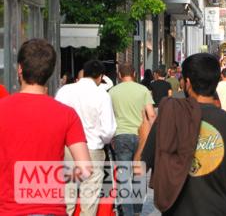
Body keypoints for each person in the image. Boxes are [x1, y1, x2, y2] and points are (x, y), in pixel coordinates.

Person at [143, 53, 226, 215]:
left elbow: (140, 168)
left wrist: (144, 132)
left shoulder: (168, 117)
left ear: (187, 82)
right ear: (216, 81)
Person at [0, 39, 92, 215]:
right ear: (49, 72)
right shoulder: (67, 114)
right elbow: (85, 169)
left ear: (20, 68)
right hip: (51, 209)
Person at [56, 60, 117, 215]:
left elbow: (56, 119)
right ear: (100, 76)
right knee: (89, 198)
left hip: (68, 148)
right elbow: (108, 131)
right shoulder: (102, 95)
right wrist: (102, 140)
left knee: (67, 194)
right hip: (92, 149)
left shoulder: (65, 91)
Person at [109, 63, 156, 216]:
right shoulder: (143, 90)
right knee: (139, 173)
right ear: (135, 74)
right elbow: (152, 115)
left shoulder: (112, 91)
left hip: (120, 136)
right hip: (141, 136)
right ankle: (137, 211)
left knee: (123, 176)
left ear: (119, 75)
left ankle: (127, 212)